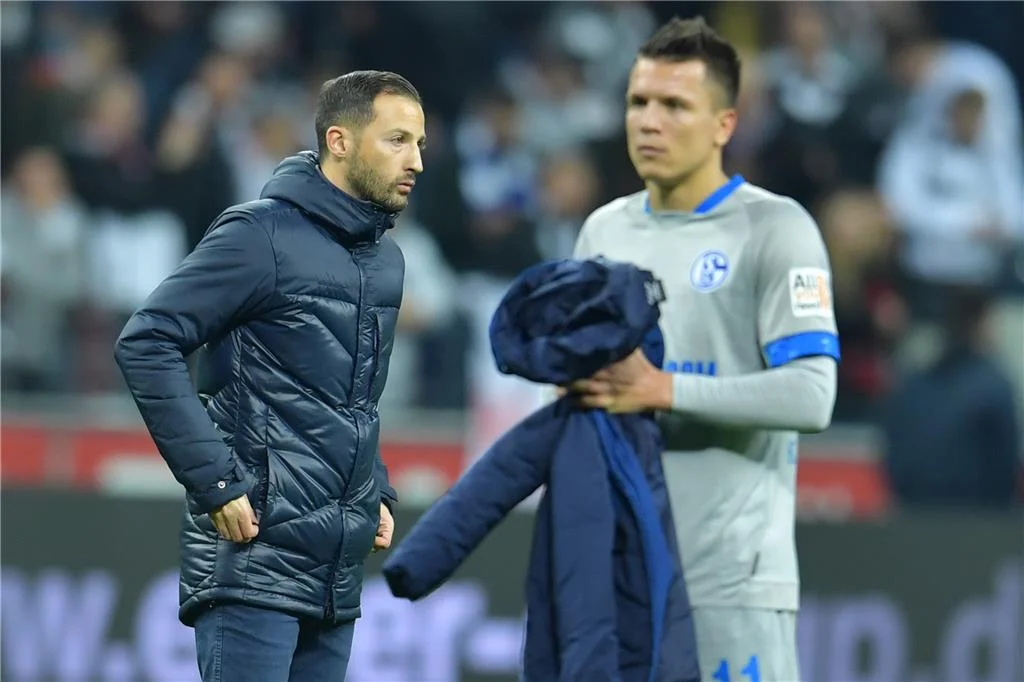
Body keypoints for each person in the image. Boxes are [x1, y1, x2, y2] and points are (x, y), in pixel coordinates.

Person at [113, 70, 426, 682]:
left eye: (419, 143)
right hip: (252, 559)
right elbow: (147, 341)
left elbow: (351, 399)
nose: (415, 160)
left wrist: (376, 487)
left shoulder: (386, 261)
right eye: (397, 140)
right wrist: (214, 480)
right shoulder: (260, 235)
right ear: (339, 141)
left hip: (334, 572)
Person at [565, 17, 840, 682]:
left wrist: (664, 389)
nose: (649, 122)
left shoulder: (775, 228)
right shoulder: (603, 232)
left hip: (730, 582)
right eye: (638, 102)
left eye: (674, 105)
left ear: (724, 124)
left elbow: (812, 394)